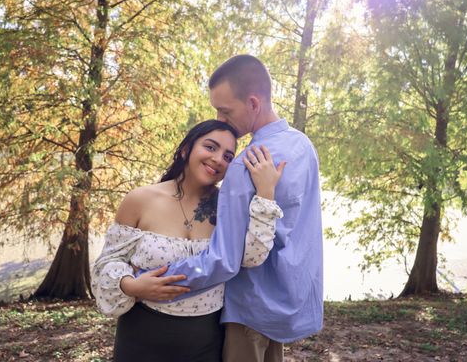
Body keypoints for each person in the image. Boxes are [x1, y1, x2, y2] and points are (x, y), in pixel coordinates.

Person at [151, 55, 323, 362]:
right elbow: (308, 235)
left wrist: (160, 279)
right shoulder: (303, 146)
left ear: (254, 104)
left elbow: (225, 260)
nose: (220, 118)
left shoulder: (245, 165)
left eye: (225, 110)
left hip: (249, 309)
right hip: (287, 304)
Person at [91, 119, 286, 362]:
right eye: (210, 147)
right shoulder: (140, 199)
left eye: (228, 156)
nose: (218, 159)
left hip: (206, 338)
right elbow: (106, 264)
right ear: (186, 149)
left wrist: (266, 193)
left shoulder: (229, 206)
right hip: (141, 333)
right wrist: (131, 286)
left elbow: (251, 257)